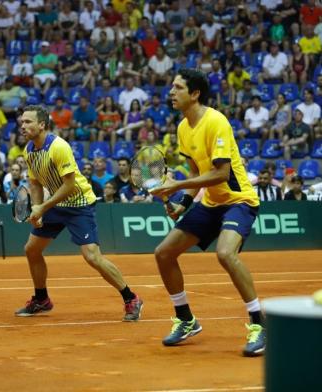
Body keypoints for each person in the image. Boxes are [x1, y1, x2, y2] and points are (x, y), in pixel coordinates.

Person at [150, 69, 265, 357]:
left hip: (239, 200)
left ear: (195, 93)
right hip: (211, 204)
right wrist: (182, 204)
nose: (171, 92)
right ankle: (186, 319)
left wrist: (178, 184)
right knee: (163, 253)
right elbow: (195, 172)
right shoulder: (182, 128)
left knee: (225, 253)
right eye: (171, 87)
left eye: (178, 87)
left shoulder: (216, 122)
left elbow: (221, 173)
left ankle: (258, 324)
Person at [16, 105, 143, 320]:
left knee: (92, 256)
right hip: (54, 205)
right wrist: (37, 210)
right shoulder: (29, 150)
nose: (23, 126)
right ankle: (41, 299)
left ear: (42, 125)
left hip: (78, 204)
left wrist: (42, 207)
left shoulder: (58, 147)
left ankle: (131, 298)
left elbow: (69, 186)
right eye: (22, 122)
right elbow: (35, 183)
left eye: (28, 122)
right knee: (32, 249)